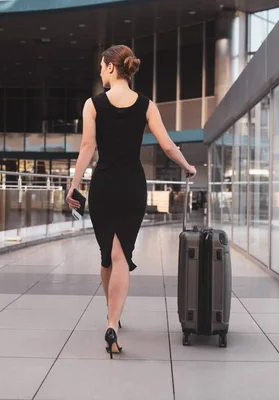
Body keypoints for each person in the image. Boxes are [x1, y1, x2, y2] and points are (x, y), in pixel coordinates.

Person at [66, 44, 196, 359]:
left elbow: (87, 146)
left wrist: (74, 186)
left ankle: (112, 315)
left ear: (112, 68)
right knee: (122, 254)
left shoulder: (92, 104)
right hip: (132, 187)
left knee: (107, 255)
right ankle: (113, 319)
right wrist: (188, 167)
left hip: (104, 187)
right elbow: (166, 145)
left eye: (101, 66)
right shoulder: (147, 105)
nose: (99, 72)